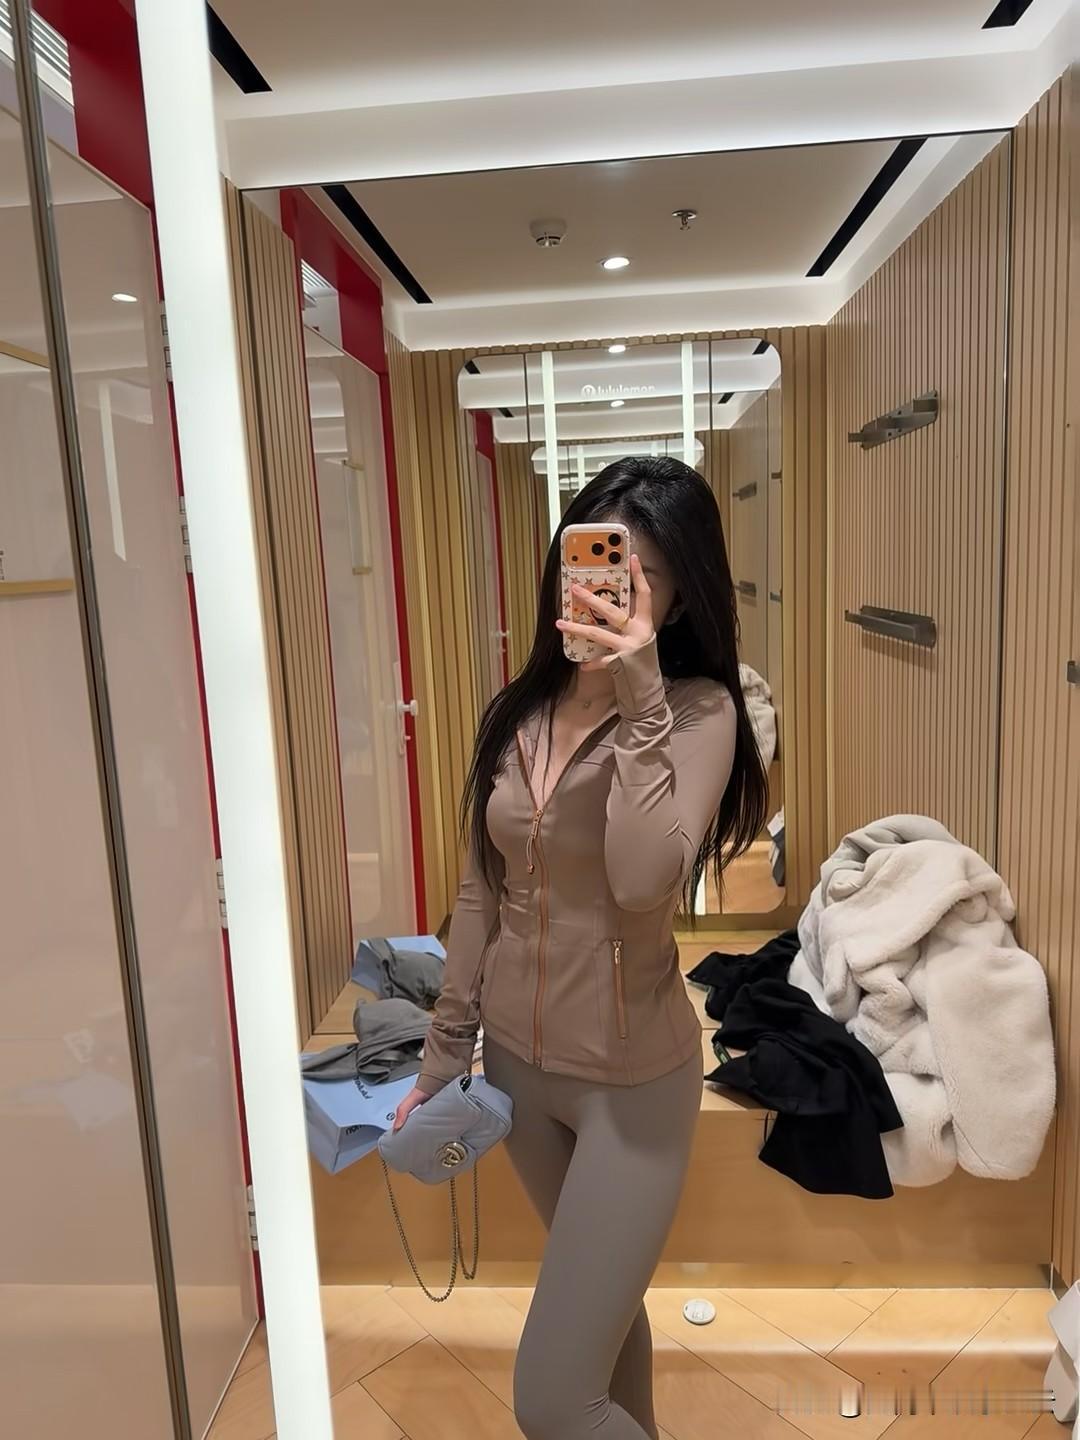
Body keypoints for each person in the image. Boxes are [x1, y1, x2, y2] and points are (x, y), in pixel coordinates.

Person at [393, 456, 768, 1440]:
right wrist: (444, 1053)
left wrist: (640, 697)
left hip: (631, 1088)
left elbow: (644, 881)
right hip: (518, 1074)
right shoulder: (520, 713)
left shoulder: (700, 714)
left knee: (553, 1397)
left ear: (679, 594)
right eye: (596, 563)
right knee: (605, 1324)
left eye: (641, 576)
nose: (610, 590)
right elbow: (481, 892)